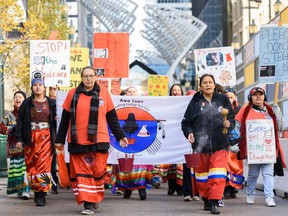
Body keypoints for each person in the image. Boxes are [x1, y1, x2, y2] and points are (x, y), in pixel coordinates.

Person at [55, 66, 128, 215]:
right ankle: (87, 204)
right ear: (81, 78)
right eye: (85, 76)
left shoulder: (104, 93)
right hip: (78, 141)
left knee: (98, 172)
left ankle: (94, 197)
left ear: (95, 77)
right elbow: (65, 120)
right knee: (82, 174)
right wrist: (59, 139)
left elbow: (112, 118)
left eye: (91, 76)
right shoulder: (72, 94)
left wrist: (120, 136)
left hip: (99, 140)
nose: (88, 78)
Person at [181, 74, 235, 214]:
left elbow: (231, 118)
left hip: (220, 144)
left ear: (214, 84)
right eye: (205, 82)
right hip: (201, 145)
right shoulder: (195, 101)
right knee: (202, 176)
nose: (208, 85)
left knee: (217, 174)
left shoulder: (222, 99)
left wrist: (229, 124)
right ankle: (206, 198)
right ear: (200, 86)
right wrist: (189, 133)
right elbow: (186, 122)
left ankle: (214, 201)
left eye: (210, 82)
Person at [233, 87, 286, 207]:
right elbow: (236, 128)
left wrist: (277, 112)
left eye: (260, 94)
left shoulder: (271, 111)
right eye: (255, 94)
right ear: (250, 97)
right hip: (253, 150)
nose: (258, 96)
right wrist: (235, 145)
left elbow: (281, 127)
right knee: (253, 174)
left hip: (269, 149)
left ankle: (269, 197)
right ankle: (250, 194)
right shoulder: (245, 111)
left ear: (264, 96)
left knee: (268, 173)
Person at [15, 75, 57, 207]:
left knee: (43, 165)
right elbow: (20, 122)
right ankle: (37, 190)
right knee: (32, 165)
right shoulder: (26, 104)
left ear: (44, 87)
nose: (37, 87)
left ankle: (41, 195)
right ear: (32, 87)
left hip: (46, 137)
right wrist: (19, 139)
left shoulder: (52, 103)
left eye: (40, 84)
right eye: (35, 85)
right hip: (30, 137)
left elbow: (58, 121)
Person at [115, 86, 152, 200]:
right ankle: (127, 189)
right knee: (126, 164)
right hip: (125, 138)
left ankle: (142, 188)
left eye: (134, 92)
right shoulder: (120, 106)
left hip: (140, 141)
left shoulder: (144, 106)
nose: (131, 93)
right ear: (126, 94)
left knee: (140, 164)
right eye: (129, 92)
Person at [0, 91, 30, 199]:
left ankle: (26, 190)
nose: (17, 99)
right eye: (16, 97)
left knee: (25, 168)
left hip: (27, 146)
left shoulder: (29, 112)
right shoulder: (9, 115)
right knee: (16, 170)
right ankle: (20, 189)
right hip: (14, 148)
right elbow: (1, 127)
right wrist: (6, 129)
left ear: (25, 99)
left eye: (20, 97)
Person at [223, 87, 244, 199]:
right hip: (225, 141)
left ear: (235, 96)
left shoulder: (240, 109)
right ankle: (226, 188)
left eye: (231, 97)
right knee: (226, 165)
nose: (229, 99)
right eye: (227, 97)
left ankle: (233, 187)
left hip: (237, 140)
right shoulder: (221, 108)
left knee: (236, 167)